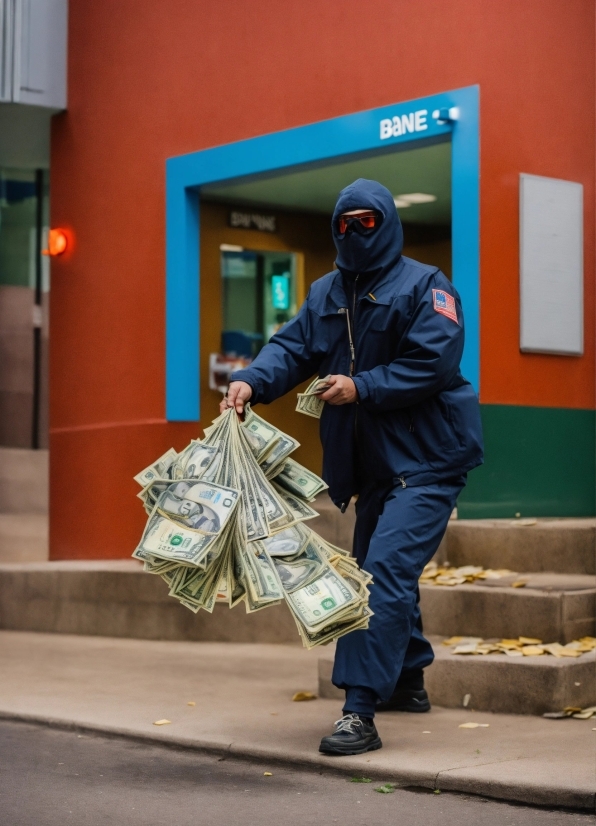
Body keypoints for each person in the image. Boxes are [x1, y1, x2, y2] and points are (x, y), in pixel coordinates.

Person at [222, 178, 483, 756]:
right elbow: (290, 348)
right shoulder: (325, 292)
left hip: (429, 461)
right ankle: (409, 680)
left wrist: (360, 386)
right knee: (380, 569)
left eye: (367, 221)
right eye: (345, 222)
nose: (355, 231)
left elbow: (435, 362)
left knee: (377, 576)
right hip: (371, 470)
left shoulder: (426, 285)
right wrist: (248, 381)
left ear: (387, 221)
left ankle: (359, 710)